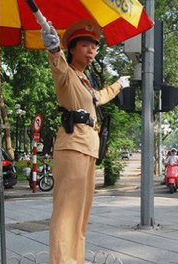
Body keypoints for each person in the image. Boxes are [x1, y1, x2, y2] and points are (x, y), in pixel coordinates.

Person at [42, 19, 130, 263]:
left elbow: (98, 98)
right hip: (72, 146)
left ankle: (75, 259)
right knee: (66, 212)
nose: (91, 50)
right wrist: (52, 49)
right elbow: (57, 65)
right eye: (85, 45)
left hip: (87, 148)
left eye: (94, 46)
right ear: (72, 49)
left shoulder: (84, 81)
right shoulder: (67, 74)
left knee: (80, 213)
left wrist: (118, 85)